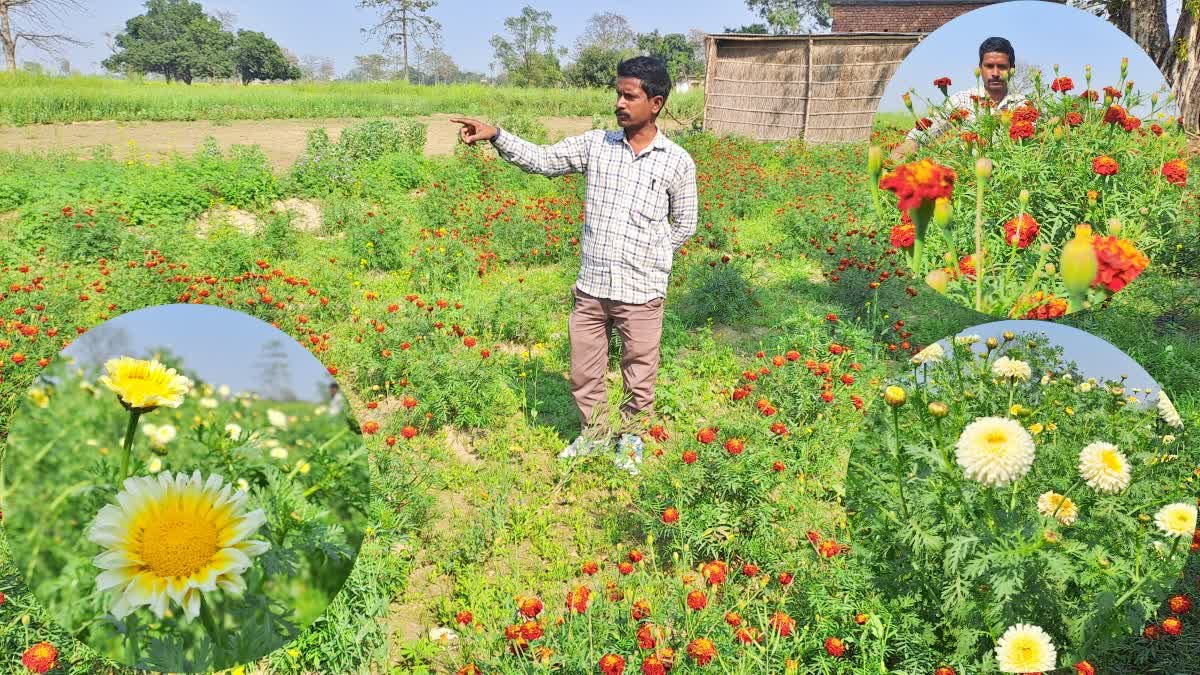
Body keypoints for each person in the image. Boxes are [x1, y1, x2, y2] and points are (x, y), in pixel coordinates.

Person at [451, 56, 698, 474]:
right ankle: (596, 435)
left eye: (629, 95)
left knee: (640, 371)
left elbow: (685, 224)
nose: (619, 103)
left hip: (642, 291)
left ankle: (632, 439)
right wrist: (497, 136)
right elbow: (543, 160)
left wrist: (652, 259)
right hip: (593, 286)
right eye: (617, 93)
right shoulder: (595, 146)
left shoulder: (676, 161)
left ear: (655, 103)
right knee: (585, 369)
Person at [890, 36, 1027, 163]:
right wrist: (910, 144)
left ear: (1011, 69)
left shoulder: (1023, 104)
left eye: (1002, 67)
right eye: (989, 66)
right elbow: (932, 125)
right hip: (970, 175)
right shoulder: (962, 100)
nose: (995, 73)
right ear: (980, 68)